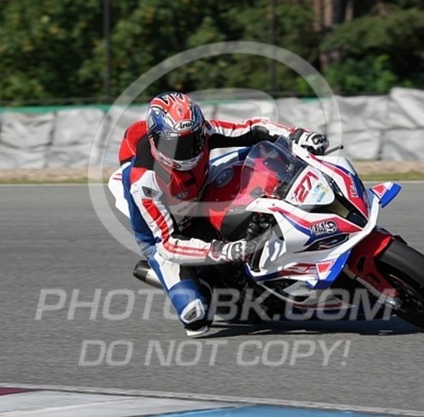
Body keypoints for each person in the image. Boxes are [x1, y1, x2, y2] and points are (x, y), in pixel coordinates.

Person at [118, 91, 328, 336]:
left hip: (201, 192)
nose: (190, 150)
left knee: (265, 162)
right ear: (157, 140)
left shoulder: (204, 132)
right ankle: (203, 283)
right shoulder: (145, 181)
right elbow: (167, 244)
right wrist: (225, 251)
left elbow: (252, 128)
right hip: (167, 238)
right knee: (196, 319)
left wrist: (298, 135)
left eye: (194, 140)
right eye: (178, 145)